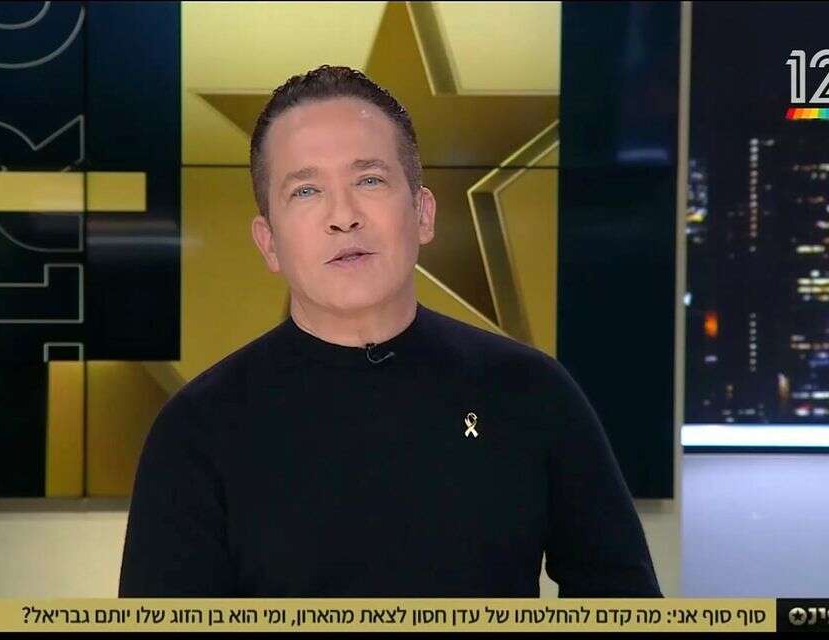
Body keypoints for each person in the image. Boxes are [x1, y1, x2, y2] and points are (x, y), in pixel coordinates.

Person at [118, 65, 662, 598]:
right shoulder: (196, 431)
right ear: (269, 243)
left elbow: (624, 606)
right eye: (305, 191)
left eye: (369, 180)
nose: (343, 215)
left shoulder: (533, 391)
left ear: (422, 213)